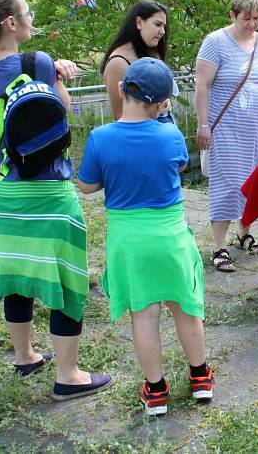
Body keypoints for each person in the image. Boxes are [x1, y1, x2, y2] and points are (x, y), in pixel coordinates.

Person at [0, 0, 113, 397]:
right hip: (47, 190)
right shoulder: (36, 60)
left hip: (3, 190)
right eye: (26, 12)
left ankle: (24, 357)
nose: (30, 19)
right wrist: (59, 73)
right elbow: (62, 115)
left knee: (18, 275)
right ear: (10, 21)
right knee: (67, 280)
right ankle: (68, 375)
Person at [78, 57, 213, 417]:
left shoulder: (100, 138)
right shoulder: (169, 134)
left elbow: (88, 185)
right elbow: (181, 164)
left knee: (144, 316)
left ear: (122, 90)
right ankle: (200, 377)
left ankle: (155, 392)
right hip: (169, 237)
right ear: (162, 102)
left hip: (129, 242)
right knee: (186, 308)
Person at [195, 0, 258, 272]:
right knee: (228, 184)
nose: (252, 23)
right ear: (233, 15)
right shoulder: (215, 42)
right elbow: (202, 86)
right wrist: (203, 125)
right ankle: (218, 246)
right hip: (228, 129)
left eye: (257, 18)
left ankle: (245, 231)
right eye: (246, 18)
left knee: (254, 184)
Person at [100, 0, 174, 122]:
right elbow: (120, 116)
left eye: (164, 26)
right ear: (139, 22)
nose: (162, 31)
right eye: (157, 24)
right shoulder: (118, 63)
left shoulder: (152, 52)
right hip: (142, 138)